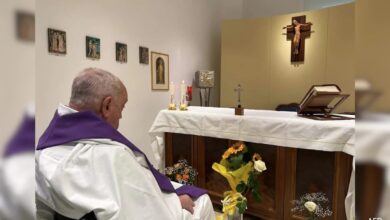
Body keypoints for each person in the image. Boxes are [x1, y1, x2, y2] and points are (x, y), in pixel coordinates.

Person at [35, 68, 215, 220]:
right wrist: (175, 202)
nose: (121, 116)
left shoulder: (43, 151)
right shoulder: (111, 156)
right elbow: (146, 209)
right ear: (106, 106)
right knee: (203, 201)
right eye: (122, 108)